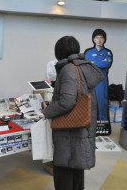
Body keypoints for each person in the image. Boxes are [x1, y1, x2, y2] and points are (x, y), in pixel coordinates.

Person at [41, 36, 104, 190]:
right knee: (76, 166)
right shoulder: (83, 65)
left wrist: (47, 110)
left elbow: (67, 102)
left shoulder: (69, 68)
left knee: (64, 168)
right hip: (81, 124)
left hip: (69, 128)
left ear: (59, 52)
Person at [84, 29, 113, 135]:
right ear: (93, 39)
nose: (99, 40)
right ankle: (89, 127)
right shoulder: (88, 52)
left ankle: (102, 129)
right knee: (90, 104)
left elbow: (107, 64)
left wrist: (93, 62)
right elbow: (86, 65)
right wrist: (100, 62)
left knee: (102, 104)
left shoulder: (107, 52)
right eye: (97, 38)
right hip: (90, 82)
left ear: (104, 39)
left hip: (102, 83)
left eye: (101, 38)